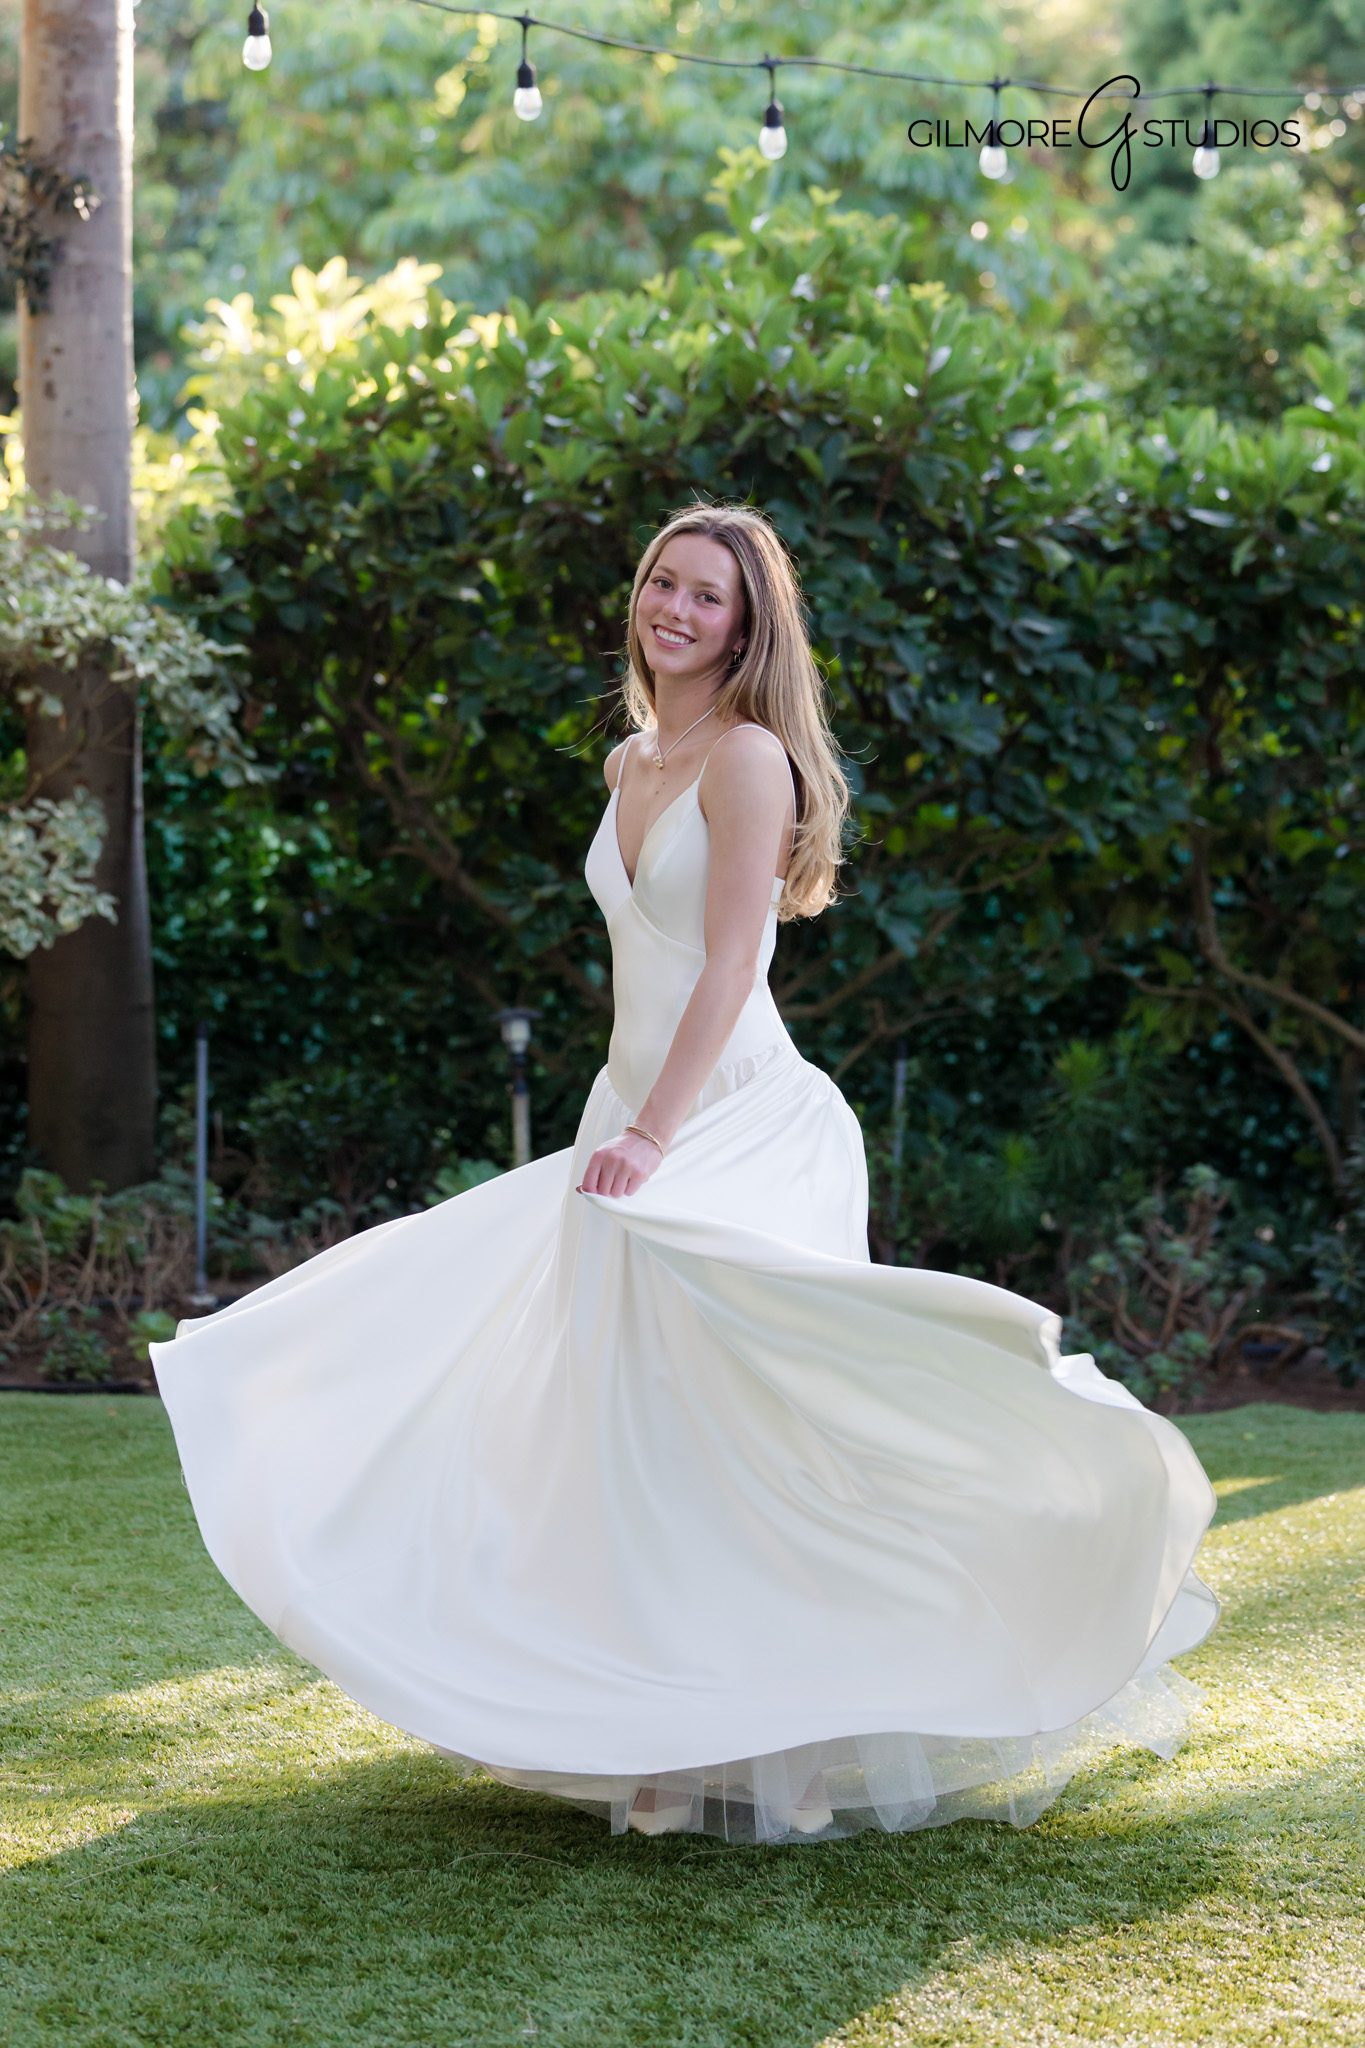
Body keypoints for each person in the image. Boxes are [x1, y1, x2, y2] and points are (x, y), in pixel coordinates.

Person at [151, 501, 1220, 1846]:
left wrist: (657, 1139)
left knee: (751, 1429)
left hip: (738, 1122)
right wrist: (626, 1122)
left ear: (745, 624)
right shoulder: (629, 758)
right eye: (662, 582)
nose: (674, 607)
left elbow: (730, 967)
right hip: (633, 1113)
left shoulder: (748, 757)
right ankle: (655, 1729)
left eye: (706, 594)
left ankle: (793, 1724)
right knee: (619, 1429)